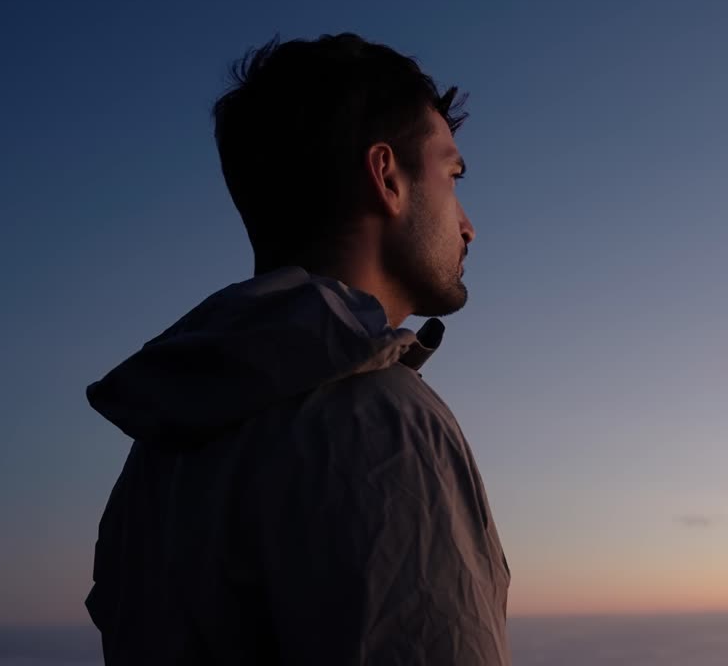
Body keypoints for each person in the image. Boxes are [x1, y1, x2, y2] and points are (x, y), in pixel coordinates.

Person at [84, 33, 511, 665]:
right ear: (387, 177)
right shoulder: (383, 422)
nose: (469, 224)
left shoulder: (164, 446)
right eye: (453, 175)